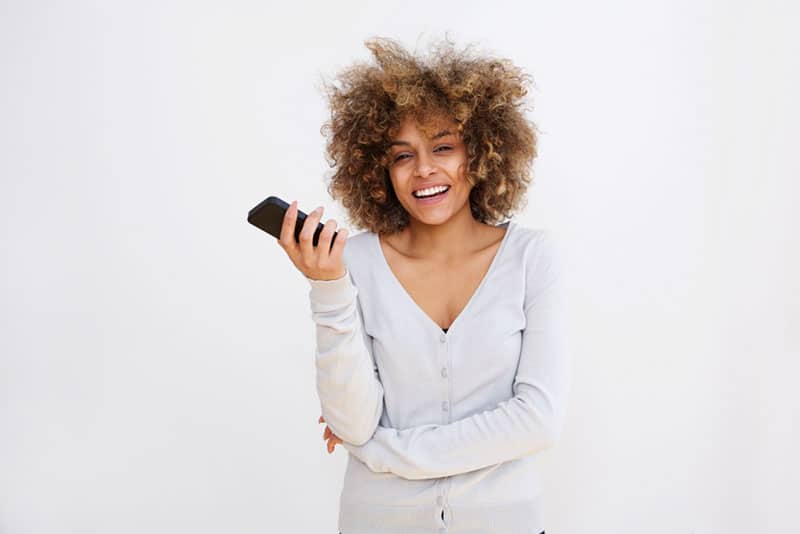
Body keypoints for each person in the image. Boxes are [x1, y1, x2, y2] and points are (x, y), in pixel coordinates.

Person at [277, 37, 569, 534]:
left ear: (479, 152)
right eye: (402, 155)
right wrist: (327, 290)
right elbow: (352, 423)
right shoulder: (354, 260)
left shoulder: (531, 258)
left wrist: (384, 452)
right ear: (379, 169)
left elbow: (537, 419)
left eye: (443, 147)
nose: (424, 170)